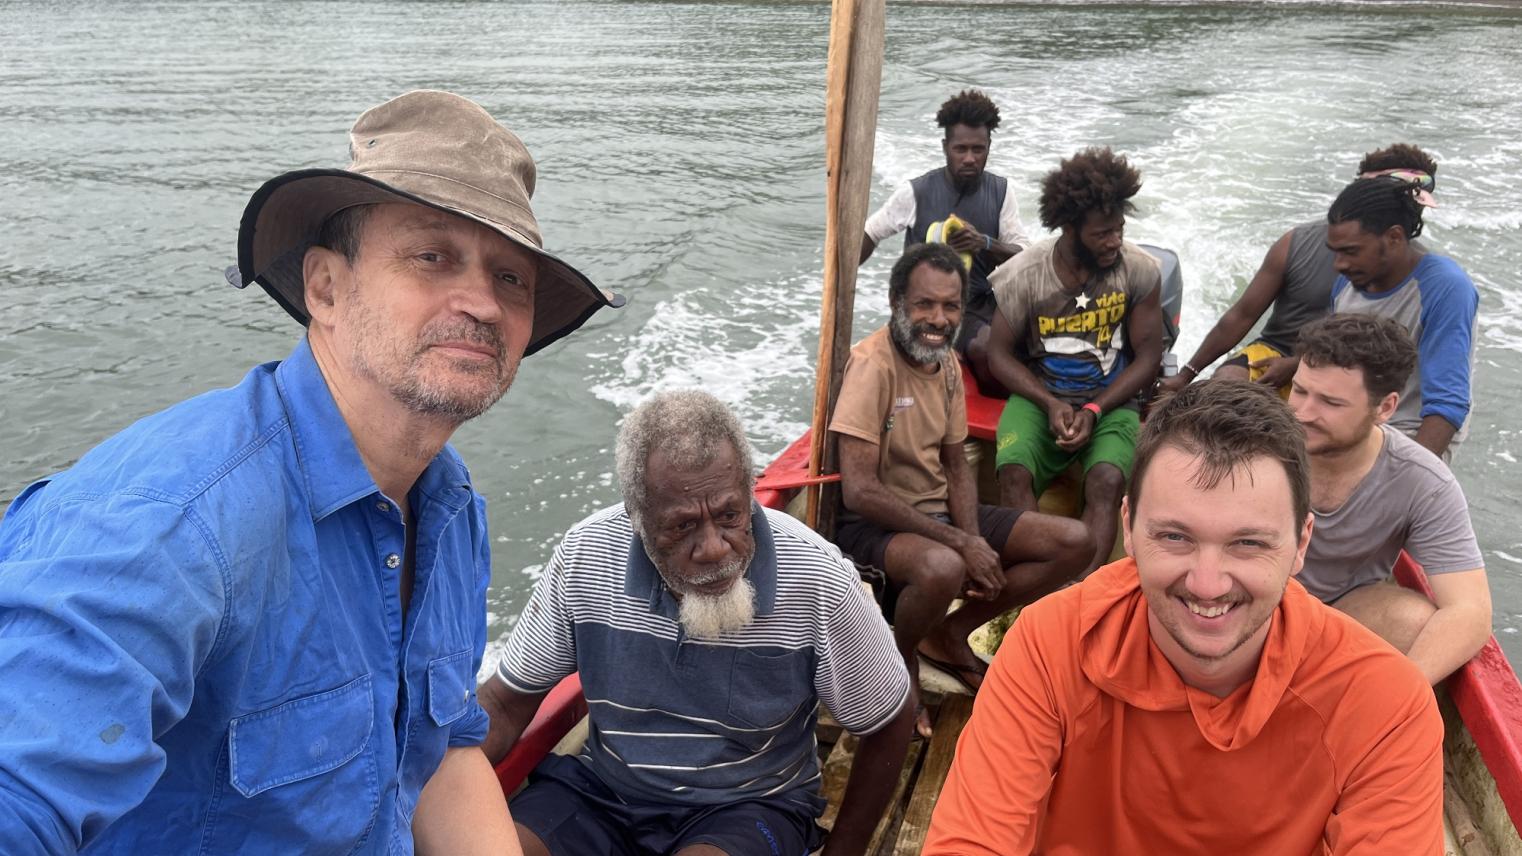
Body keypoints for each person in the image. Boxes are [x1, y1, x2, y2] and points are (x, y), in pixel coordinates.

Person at [0, 90, 621, 854]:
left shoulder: (451, 506)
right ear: (325, 288)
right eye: (432, 256)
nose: (484, 305)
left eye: (511, 279)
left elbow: (439, 749)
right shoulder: (170, 523)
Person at [923, 381, 1443, 855]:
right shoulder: (1052, 642)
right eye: (1175, 536)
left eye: (1248, 543)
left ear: (1301, 542)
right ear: (1129, 527)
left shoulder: (1383, 704)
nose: (1207, 583)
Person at [477, 391, 914, 856]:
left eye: (729, 515)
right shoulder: (587, 555)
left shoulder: (816, 577)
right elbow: (504, 707)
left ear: (749, 493)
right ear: (638, 519)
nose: (713, 548)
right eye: (682, 527)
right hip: (602, 791)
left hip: (749, 805)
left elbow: (889, 717)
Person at [830, 243, 1091, 739]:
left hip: (937, 516)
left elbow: (956, 464)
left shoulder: (946, 363)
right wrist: (960, 545)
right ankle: (898, 659)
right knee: (943, 566)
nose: (938, 318)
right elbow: (860, 491)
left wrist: (976, 540)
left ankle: (949, 632)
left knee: (1074, 542)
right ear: (896, 302)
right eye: (925, 304)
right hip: (875, 526)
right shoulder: (872, 367)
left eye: (951, 306)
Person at [986, 146, 1165, 573]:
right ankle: (1032, 589)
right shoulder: (1025, 274)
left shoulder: (1139, 271)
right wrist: (1050, 404)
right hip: (1038, 396)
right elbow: (998, 354)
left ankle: (1084, 593)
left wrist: (1094, 408)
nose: (1115, 241)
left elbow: (1149, 357)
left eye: (1119, 229)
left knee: (1107, 482)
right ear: (1069, 227)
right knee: (1013, 474)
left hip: (1109, 401)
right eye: (1102, 233)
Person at [1290, 314, 1489, 684]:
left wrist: (1403, 695)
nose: (1303, 413)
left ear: (1385, 408)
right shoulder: (1256, 442)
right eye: (1300, 390)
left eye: (1330, 403)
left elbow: (1470, 610)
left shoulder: (1422, 480)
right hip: (1244, 597)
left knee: (1414, 619)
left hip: (1332, 619)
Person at [1159, 144, 1440, 397]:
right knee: (1227, 382)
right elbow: (1241, 314)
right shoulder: (1297, 242)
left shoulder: (1419, 276)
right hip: (1278, 351)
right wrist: (1187, 374)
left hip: (1351, 374)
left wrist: (1298, 367)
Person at [860, 89, 1033, 394]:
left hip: (977, 305)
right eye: (960, 149)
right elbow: (869, 234)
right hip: (925, 305)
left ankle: (1001, 416)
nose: (969, 158)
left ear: (989, 147)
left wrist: (985, 243)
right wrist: (839, 277)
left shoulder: (1001, 192)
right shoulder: (915, 192)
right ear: (945, 147)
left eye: (978, 150)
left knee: (1000, 350)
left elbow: (1024, 258)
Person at [1325, 175, 1479, 459]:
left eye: (1351, 251)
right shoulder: (1349, 282)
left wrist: (1409, 478)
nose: (1340, 264)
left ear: (1395, 237)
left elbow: (1448, 404)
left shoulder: (1445, 288)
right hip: (1351, 423)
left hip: (1409, 436)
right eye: (1335, 252)